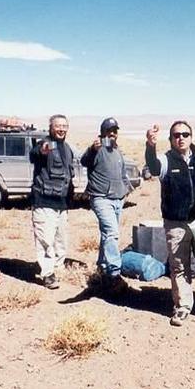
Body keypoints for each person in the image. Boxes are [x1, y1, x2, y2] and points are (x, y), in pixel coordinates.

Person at [145, 121, 195, 327]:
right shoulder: (166, 160)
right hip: (175, 223)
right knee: (179, 266)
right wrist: (150, 146)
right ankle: (183, 306)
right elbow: (153, 167)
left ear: (191, 137)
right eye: (176, 135)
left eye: (185, 134)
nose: (181, 138)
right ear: (170, 139)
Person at [81, 117, 133, 294]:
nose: (112, 133)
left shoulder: (117, 151)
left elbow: (122, 172)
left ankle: (102, 267)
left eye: (115, 130)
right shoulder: (97, 148)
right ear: (102, 132)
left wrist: (126, 189)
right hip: (101, 197)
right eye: (109, 130)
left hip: (117, 198)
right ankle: (114, 273)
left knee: (107, 235)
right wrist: (92, 149)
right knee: (112, 232)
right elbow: (84, 160)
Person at [29, 114, 75, 289]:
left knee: (61, 241)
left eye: (64, 126)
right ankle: (47, 274)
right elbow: (35, 154)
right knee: (45, 240)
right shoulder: (46, 143)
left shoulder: (67, 148)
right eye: (58, 126)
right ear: (51, 127)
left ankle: (57, 268)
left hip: (61, 204)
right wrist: (42, 149)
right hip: (44, 201)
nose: (61, 129)